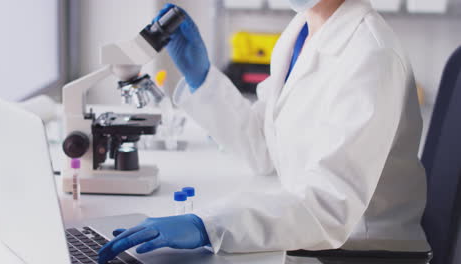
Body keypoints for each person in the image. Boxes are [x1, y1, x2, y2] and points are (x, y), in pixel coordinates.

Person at [99, 0, 429, 263]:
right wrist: (203, 80)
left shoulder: (371, 54)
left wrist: (209, 224)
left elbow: (329, 208)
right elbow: (264, 148)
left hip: (362, 250)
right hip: (316, 234)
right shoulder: (301, 30)